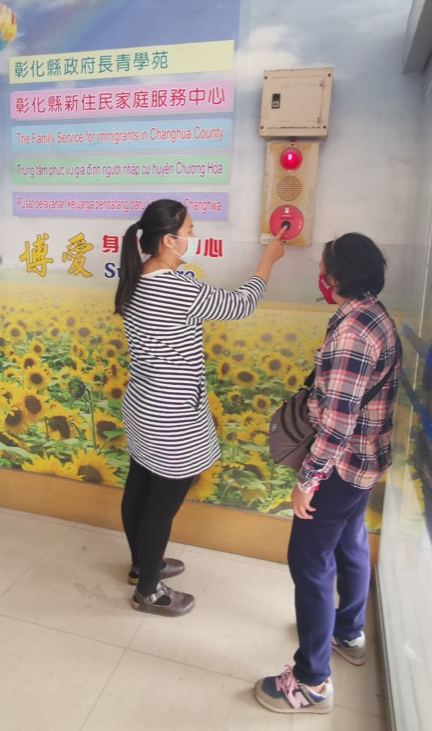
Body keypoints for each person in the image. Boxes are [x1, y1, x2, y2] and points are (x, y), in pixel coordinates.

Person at [115, 198, 285, 617]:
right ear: (168, 240)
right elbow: (240, 304)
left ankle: (142, 565)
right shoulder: (177, 288)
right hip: (171, 414)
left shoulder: (136, 277)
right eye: (189, 230)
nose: (193, 236)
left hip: (142, 406)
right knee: (162, 506)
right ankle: (148, 592)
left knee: (140, 483)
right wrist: (268, 258)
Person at [255, 232, 402, 715]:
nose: (319, 274)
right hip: (365, 462)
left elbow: (338, 423)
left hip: (340, 466)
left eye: (323, 267)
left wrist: (307, 481)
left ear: (334, 278)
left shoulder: (352, 334)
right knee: (350, 540)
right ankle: (348, 631)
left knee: (310, 561)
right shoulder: (374, 314)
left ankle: (311, 682)